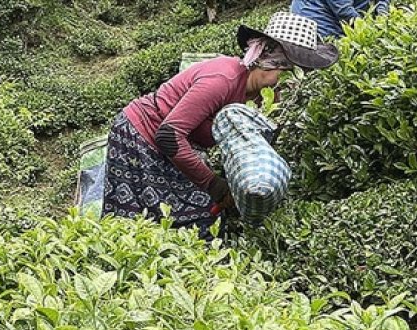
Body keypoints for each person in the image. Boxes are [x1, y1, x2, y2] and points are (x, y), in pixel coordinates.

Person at [102, 12, 338, 236]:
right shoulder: (223, 79)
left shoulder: (262, 95)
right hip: (140, 137)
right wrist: (215, 186)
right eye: (286, 74)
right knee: (164, 218)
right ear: (268, 62)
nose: (287, 86)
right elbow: (169, 135)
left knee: (192, 213)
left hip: (178, 145)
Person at [291, 0, 390, 40]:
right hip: (317, 22)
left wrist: (382, 14)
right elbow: (343, 11)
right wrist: (371, 33)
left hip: (337, 17)